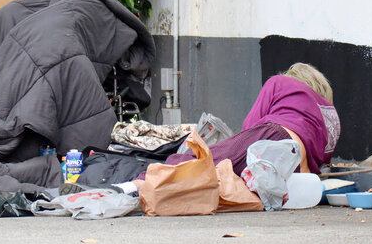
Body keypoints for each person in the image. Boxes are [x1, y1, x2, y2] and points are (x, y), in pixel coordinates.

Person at [62, 62, 341, 196]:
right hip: (298, 166)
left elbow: (250, 127)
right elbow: (324, 160)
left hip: (270, 139)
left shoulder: (282, 84)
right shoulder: (330, 115)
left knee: (196, 161)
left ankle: (125, 188)